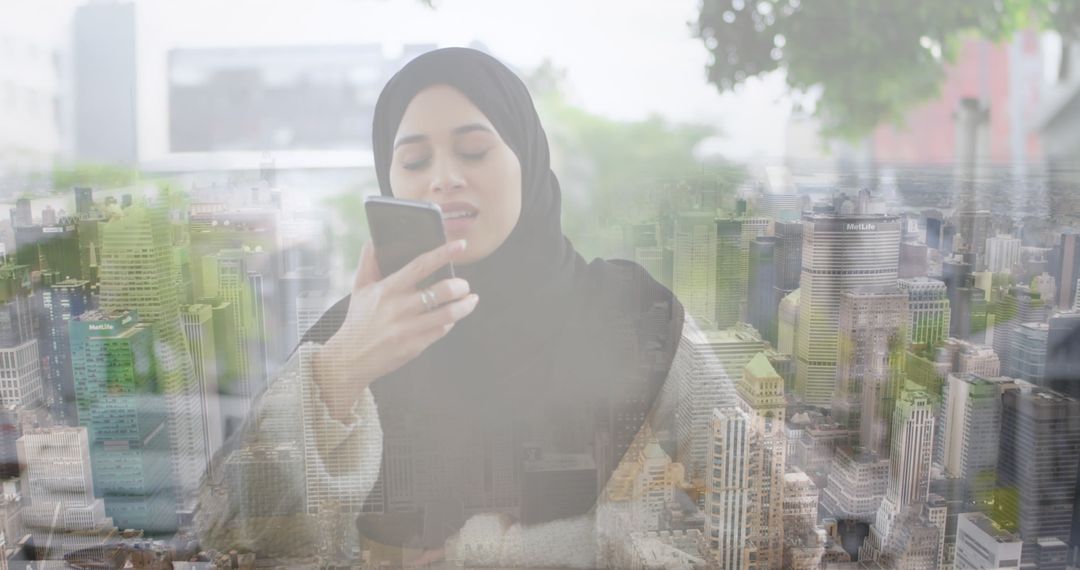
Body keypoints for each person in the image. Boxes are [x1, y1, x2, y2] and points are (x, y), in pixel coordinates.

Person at [199, 47, 722, 568]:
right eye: (414, 161)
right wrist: (338, 372)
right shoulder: (361, 328)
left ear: (528, 160)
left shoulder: (632, 314)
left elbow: (745, 519)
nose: (444, 177)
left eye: (473, 150)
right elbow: (232, 535)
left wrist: (502, 555)